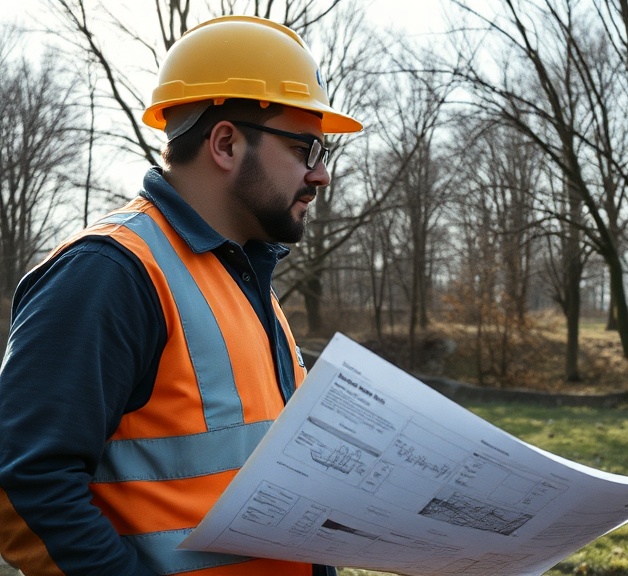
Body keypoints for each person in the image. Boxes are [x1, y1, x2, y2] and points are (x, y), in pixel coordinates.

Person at [0, 15, 361, 576]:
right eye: (305, 149)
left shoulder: (243, 277)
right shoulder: (108, 273)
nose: (321, 176)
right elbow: (22, 483)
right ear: (226, 143)